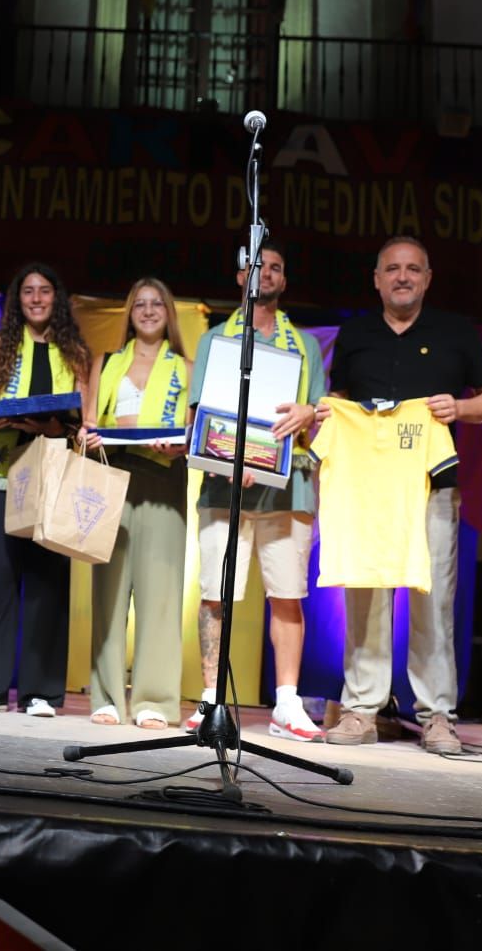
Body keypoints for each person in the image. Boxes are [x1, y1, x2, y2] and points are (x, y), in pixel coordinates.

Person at [324, 236, 482, 752]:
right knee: (364, 594)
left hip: (433, 486)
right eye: (393, 269)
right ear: (376, 279)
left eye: (413, 269)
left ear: (427, 278)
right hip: (367, 489)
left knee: (433, 602)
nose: (403, 277)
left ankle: (437, 715)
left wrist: (459, 409)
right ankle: (361, 709)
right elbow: (338, 400)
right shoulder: (356, 333)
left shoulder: (455, 332)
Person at [187, 239, 325, 743]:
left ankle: (286, 704)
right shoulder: (214, 341)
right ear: (239, 275)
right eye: (256, 264)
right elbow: (199, 415)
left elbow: (319, 413)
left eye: (275, 267)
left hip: (289, 490)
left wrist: (310, 412)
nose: (265, 272)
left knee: (287, 596)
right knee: (215, 594)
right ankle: (211, 698)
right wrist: (229, 457)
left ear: (284, 280)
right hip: (223, 488)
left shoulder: (305, 345)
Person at [0, 262, 92, 717]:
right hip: (6, 469)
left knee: (47, 584)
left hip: (53, 471)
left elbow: (84, 418)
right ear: (17, 300)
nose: (36, 299)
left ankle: (41, 692)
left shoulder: (75, 351)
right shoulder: (1, 346)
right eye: (27, 292)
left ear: (57, 298)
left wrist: (62, 426)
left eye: (44, 291)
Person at [80, 278, 191, 729]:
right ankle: (107, 695)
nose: (147, 311)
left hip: (164, 477)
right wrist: (88, 435)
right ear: (129, 312)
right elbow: (89, 420)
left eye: (156, 304)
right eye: (139, 304)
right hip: (113, 475)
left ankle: (155, 701)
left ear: (169, 312)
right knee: (108, 590)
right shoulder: (107, 362)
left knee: (161, 593)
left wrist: (180, 445)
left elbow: (193, 428)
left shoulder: (185, 367)